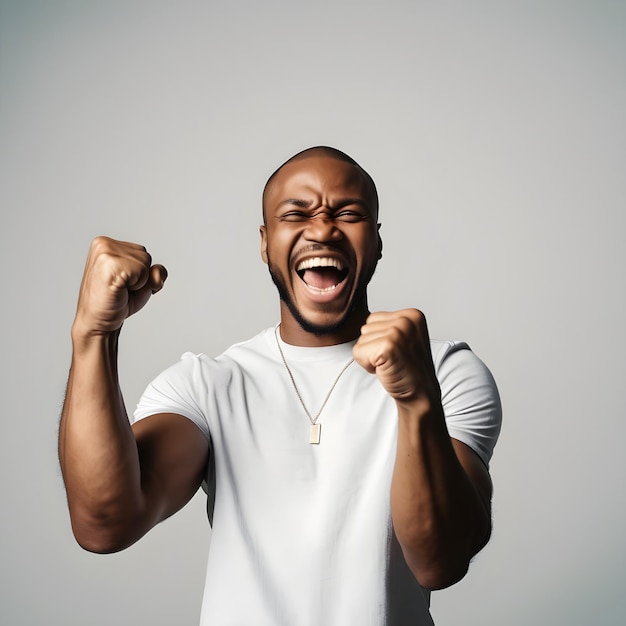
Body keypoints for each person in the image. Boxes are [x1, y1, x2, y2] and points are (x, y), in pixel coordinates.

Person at [59, 146, 501, 625]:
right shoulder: (208, 385)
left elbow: (441, 562)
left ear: (375, 242)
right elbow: (104, 525)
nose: (322, 229)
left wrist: (416, 401)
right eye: (296, 213)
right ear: (266, 243)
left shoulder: (445, 371)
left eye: (347, 214)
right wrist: (93, 336)